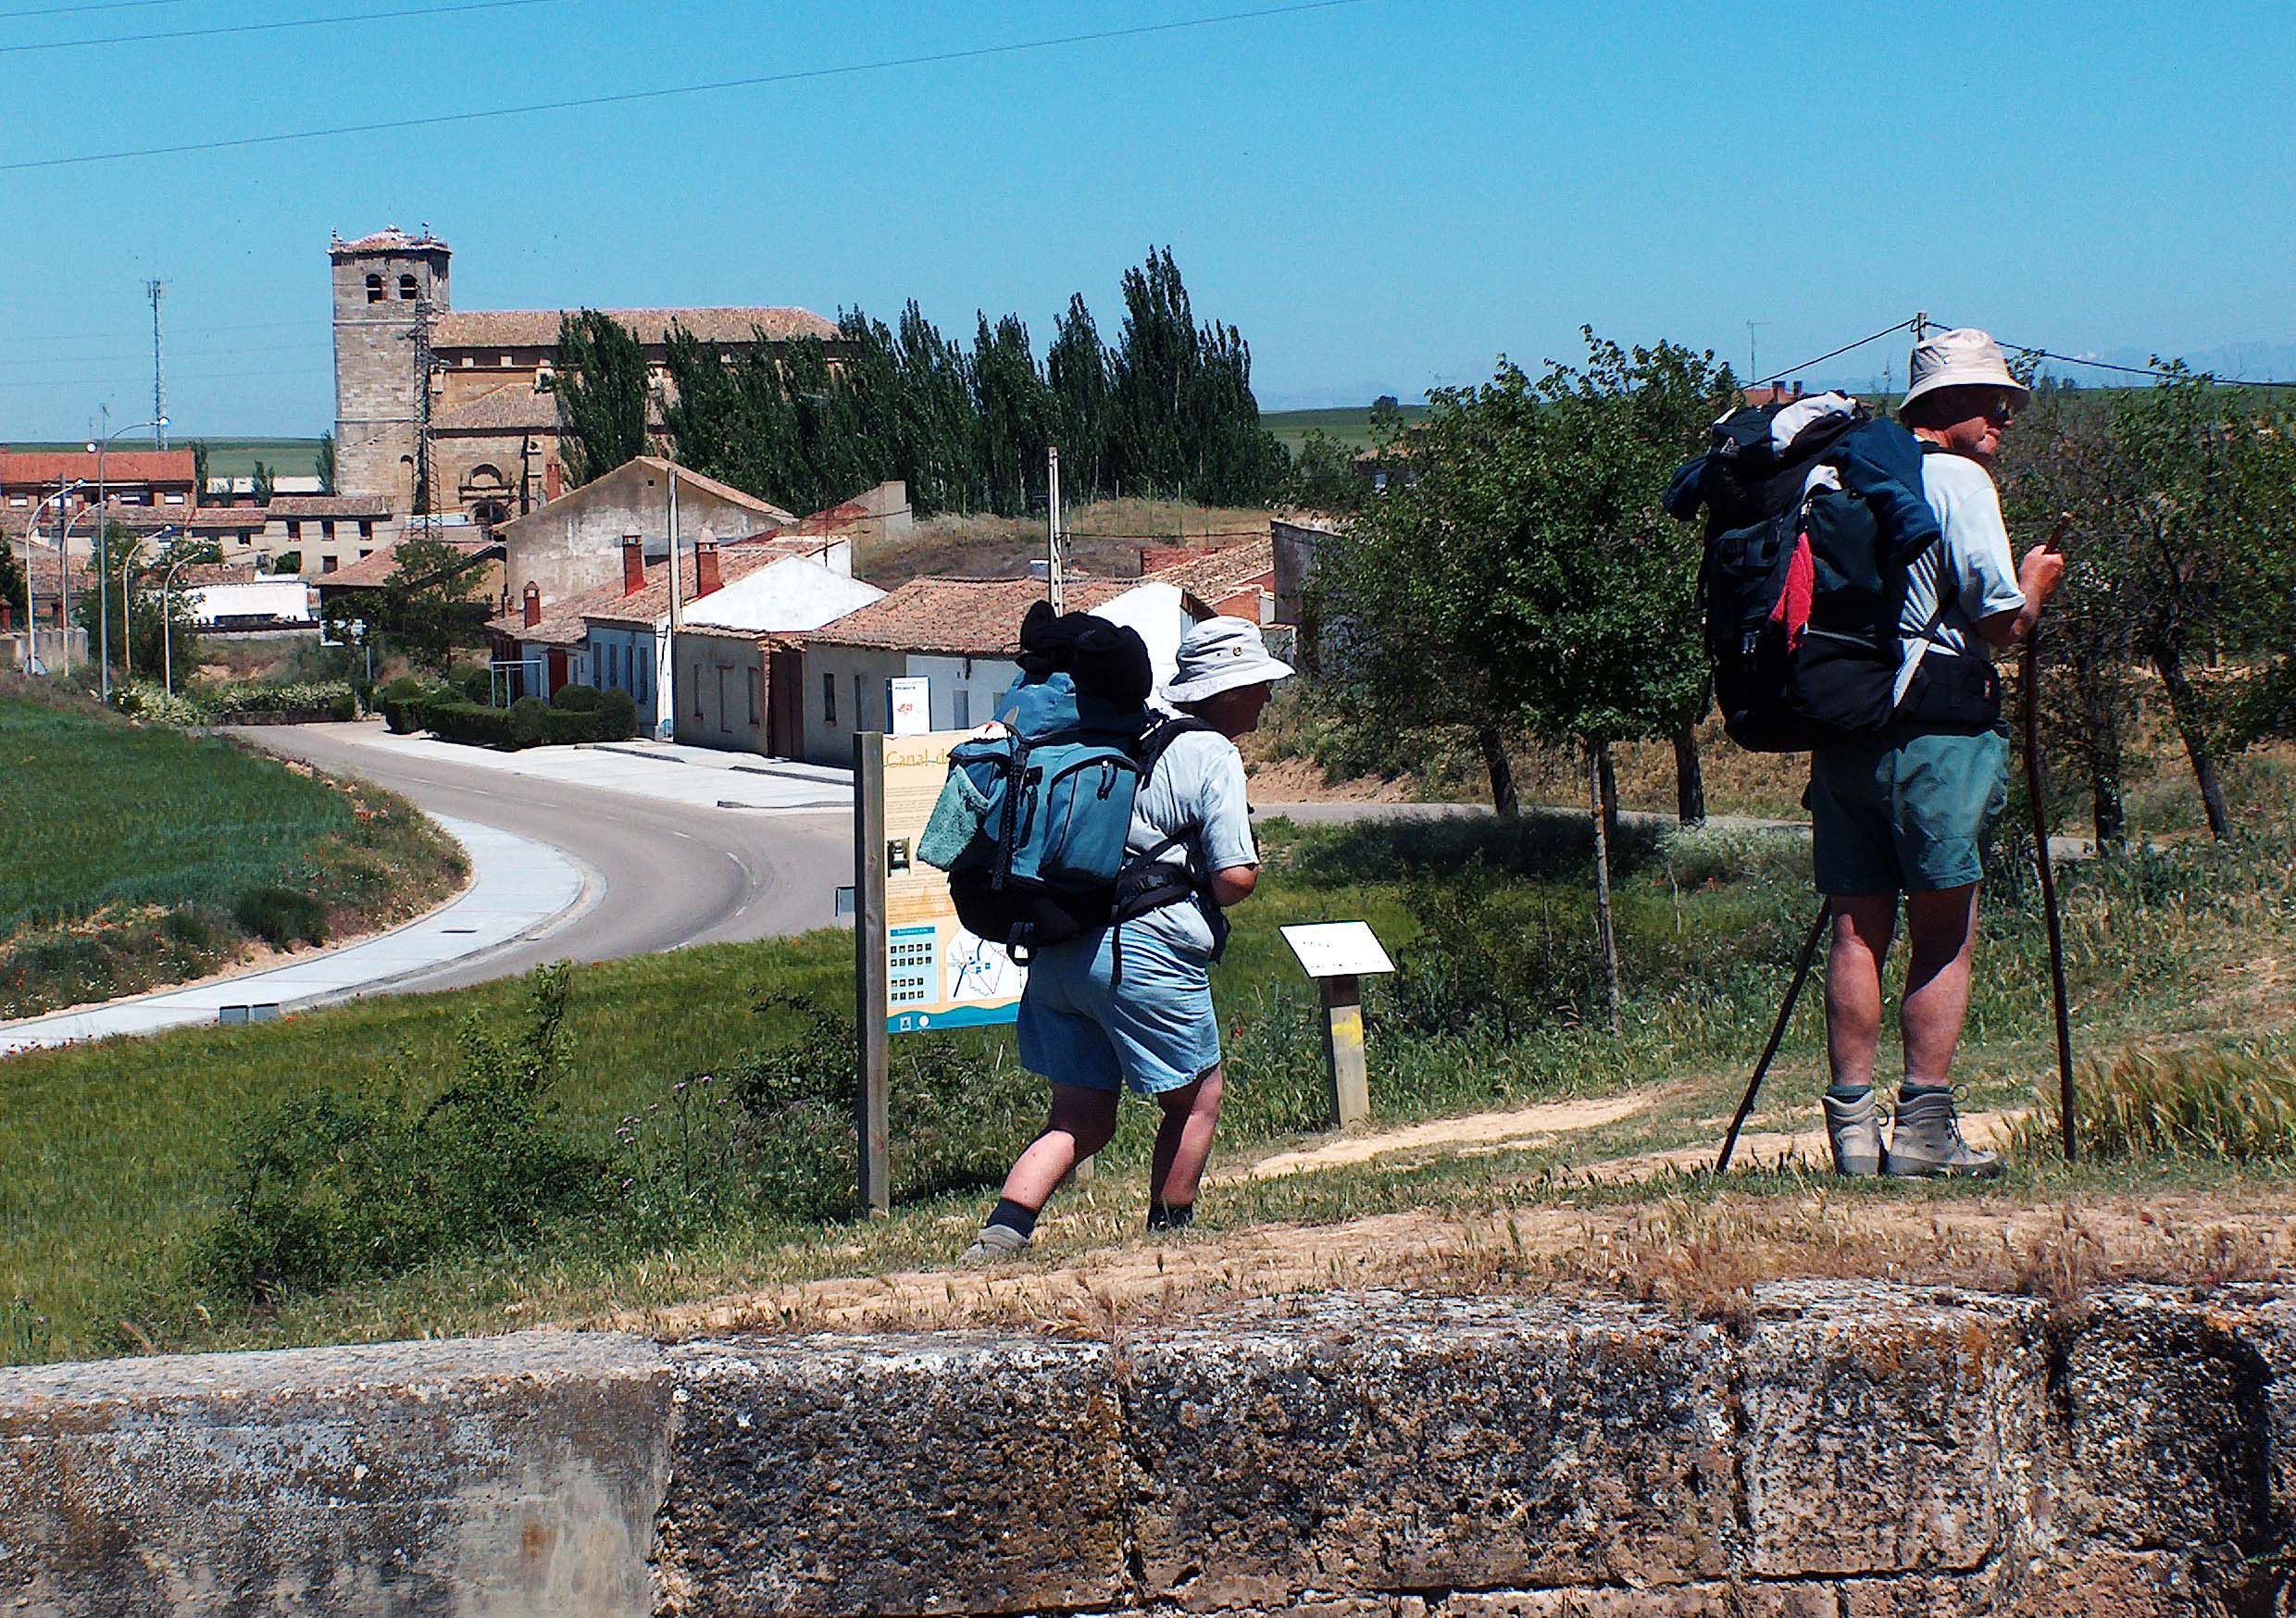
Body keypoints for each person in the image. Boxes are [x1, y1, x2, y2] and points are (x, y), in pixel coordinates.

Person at [963, 616, 1292, 1261]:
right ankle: (1170, 1238)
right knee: (1196, 1098)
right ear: (1227, 691)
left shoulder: (1112, 733)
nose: (1266, 697)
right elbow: (1234, 879)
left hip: (1059, 948)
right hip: (1141, 954)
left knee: (1079, 1119)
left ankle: (1002, 1235)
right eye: (1258, 684)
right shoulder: (1210, 753)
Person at [1816, 329, 2065, 1177]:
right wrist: (2034, 586)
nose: (2003, 420)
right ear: (1947, 407)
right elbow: (2000, 624)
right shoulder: (1959, 479)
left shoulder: (1841, 473)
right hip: (1937, 733)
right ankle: (1924, 1131)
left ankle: (1851, 1135)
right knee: (1943, 931)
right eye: (1993, 404)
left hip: (1846, 726)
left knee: (1856, 932)